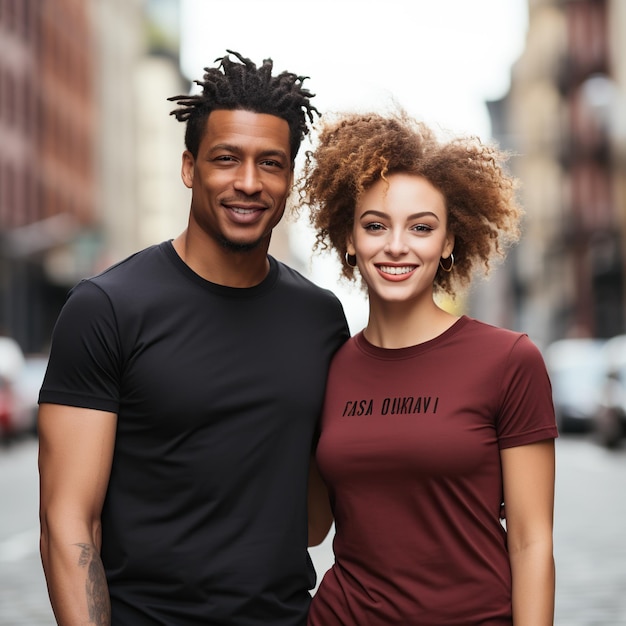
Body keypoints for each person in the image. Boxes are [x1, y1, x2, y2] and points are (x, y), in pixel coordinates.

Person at [38, 50, 349, 626]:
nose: (248, 183)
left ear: (289, 177)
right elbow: (68, 524)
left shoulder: (321, 318)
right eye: (226, 159)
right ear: (189, 167)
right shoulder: (106, 307)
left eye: (271, 163)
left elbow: (313, 521)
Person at [300, 110, 558, 625]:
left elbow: (532, 543)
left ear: (448, 243)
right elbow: (311, 528)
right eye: (375, 225)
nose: (397, 245)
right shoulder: (324, 369)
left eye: (421, 228)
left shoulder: (508, 361)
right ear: (349, 239)